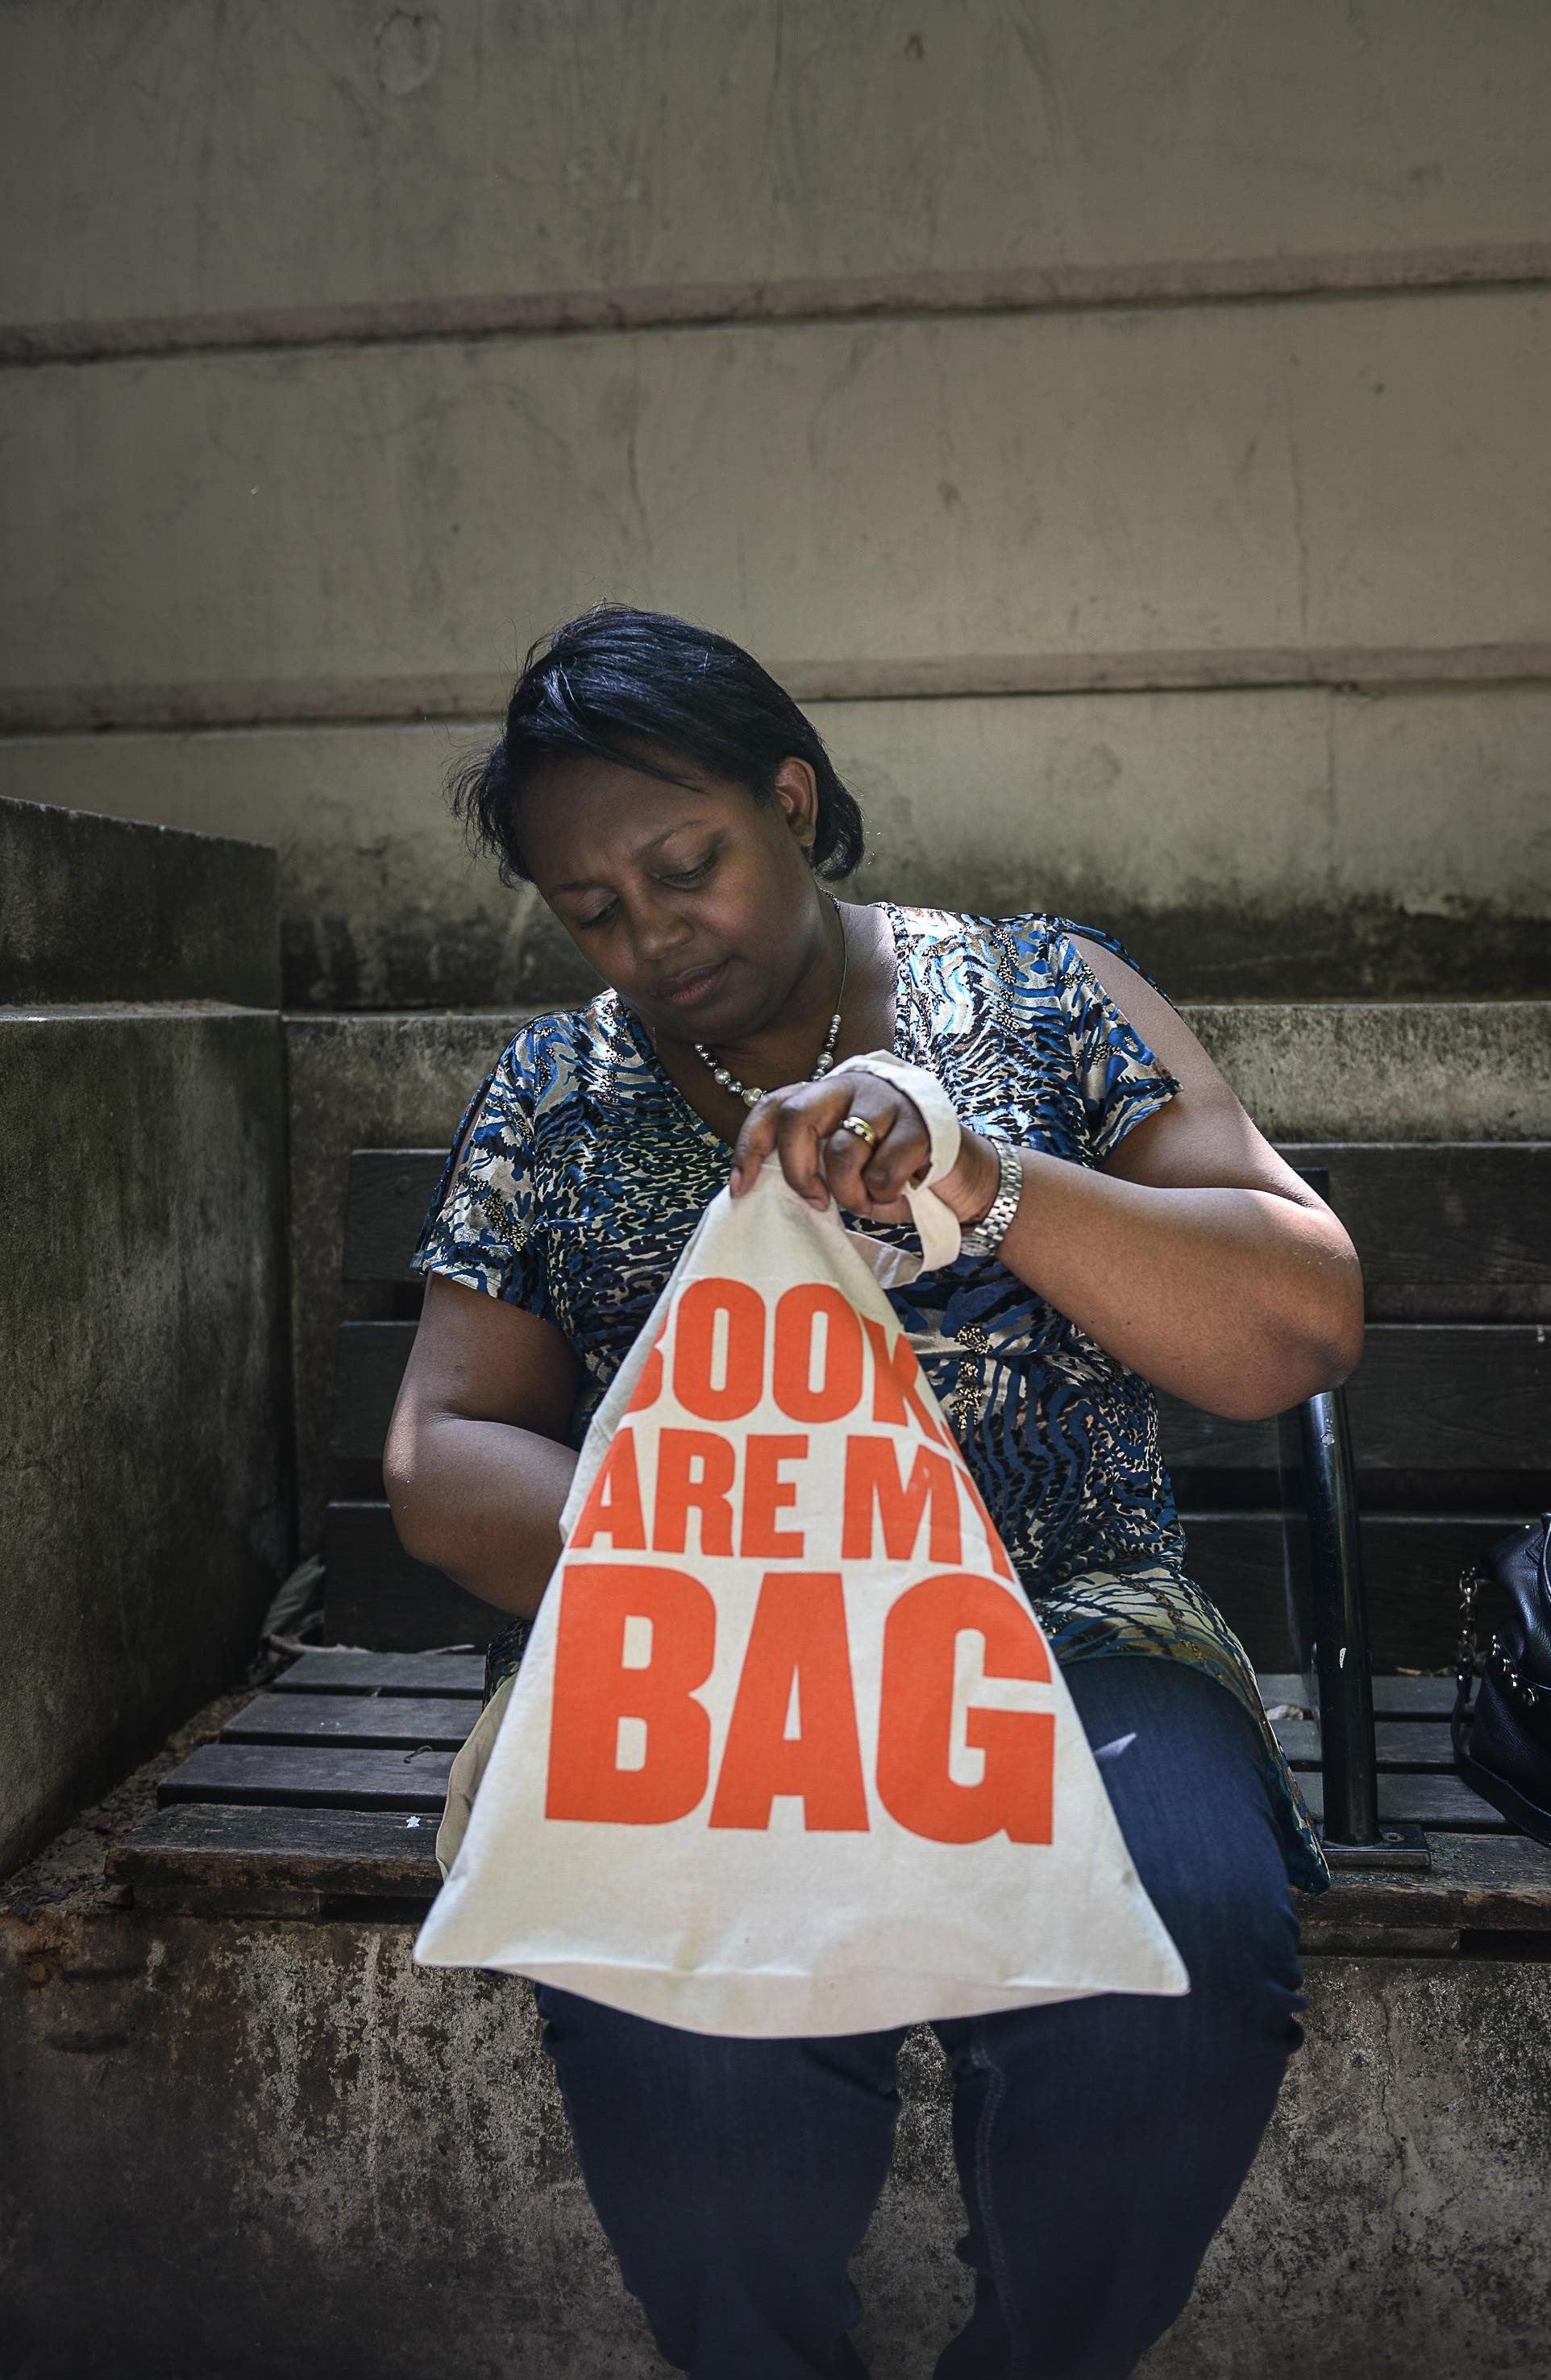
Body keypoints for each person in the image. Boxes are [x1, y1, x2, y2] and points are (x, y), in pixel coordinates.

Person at [385, 602, 1362, 2380]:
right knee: (665, 1999)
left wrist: (984, 1181)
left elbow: (1293, 1321)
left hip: (1075, 1623)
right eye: (590, 909)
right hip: (716, 1666)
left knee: (1177, 1947)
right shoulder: (554, 1093)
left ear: (790, 794)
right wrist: (732, 1561)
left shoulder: (1041, 993)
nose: (652, 936)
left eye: (685, 865)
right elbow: (444, 1456)